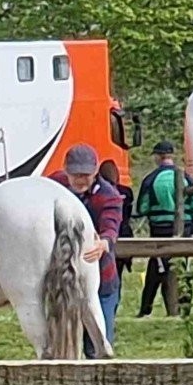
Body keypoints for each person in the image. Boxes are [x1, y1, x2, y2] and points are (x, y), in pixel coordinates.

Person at [53, 143, 124, 356]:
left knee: (98, 341)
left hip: (101, 277)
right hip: (64, 277)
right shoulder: (56, 184)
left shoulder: (109, 195)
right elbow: (27, 188)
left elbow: (111, 225)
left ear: (95, 171)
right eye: (75, 174)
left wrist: (104, 242)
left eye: (86, 174)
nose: (80, 179)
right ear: (66, 170)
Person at [136, 141, 185, 318]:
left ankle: (146, 308)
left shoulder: (151, 179)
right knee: (181, 267)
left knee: (156, 271)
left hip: (159, 229)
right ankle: (184, 305)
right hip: (183, 231)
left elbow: (142, 208)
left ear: (157, 156)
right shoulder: (185, 177)